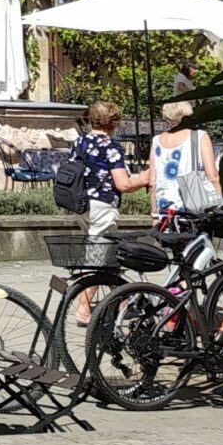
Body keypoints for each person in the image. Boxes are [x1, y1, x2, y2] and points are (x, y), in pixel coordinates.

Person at [70, 101, 147, 320]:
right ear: (114, 122)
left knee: (104, 252)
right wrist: (143, 178)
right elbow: (123, 184)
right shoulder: (111, 146)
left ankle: (121, 300)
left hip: (81, 205)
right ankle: (83, 307)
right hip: (102, 204)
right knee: (99, 256)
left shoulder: (79, 143)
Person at [149, 104, 222, 226]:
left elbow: (152, 182)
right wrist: (219, 206)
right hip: (191, 207)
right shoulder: (199, 136)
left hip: (165, 209)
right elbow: (212, 175)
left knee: (169, 243)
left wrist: (155, 214)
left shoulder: (156, 140)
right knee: (196, 243)